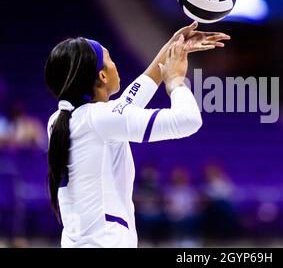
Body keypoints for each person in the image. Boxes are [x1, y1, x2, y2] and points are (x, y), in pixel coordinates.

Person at [44, 21, 230, 247]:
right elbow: (188, 120)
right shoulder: (100, 119)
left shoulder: (60, 120)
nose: (115, 64)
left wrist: (174, 46)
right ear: (102, 77)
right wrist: (175, 81)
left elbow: (126, 104)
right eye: (110, 59)